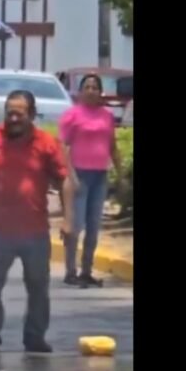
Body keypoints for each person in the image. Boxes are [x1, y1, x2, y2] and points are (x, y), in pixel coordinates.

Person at [0, 90, 74, 354]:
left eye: (19, 113)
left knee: (38, 287)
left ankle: (35, 338)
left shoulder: (46, 143)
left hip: (35, 231)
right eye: (10, 112)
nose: (13, 118)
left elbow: (64, 179)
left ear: (31, 115)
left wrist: (68, 219)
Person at [58, 74, 125, 288]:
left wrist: (121, 174)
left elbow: (112, 146)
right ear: (80, 91)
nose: (91, 91)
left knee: (94, 226)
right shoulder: (72, 115)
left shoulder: (106, 116)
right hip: (79, 175)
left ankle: (87, 270)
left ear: (100, 91)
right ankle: (70, 271)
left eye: (95, 87)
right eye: (86, 87)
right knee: (75, 225)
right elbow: (64, 147)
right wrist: (71, 175)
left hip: (100, 176)